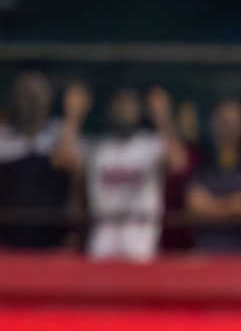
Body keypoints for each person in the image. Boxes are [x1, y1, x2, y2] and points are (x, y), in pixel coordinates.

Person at [66, 86, 186, 261]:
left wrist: (162, 116)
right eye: (119, 105)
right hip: (102, 244)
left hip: (141, 245)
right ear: (109, 111)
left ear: (139, 110)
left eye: (129, 105)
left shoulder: (151, 144)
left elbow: (178, 162)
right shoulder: (96, 147)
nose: (124, 110)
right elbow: (63, 159)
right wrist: (73, 115)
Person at [0, 71, 80, 248]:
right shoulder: (4, 136)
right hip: (11, 234)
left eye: (37, 96)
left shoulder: (59, 132)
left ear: (48, 100)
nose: (32, 104)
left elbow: (72, 169)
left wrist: (73, 115)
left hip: (52, 235)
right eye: (26, 96)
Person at [186, 97, 241, 254]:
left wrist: (212, 207)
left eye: (233, 123)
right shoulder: (203, 167)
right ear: (213, 125)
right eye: (223, 122)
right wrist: (231, 206)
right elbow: (194, 206)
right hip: (207, 261)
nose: (228, 129)